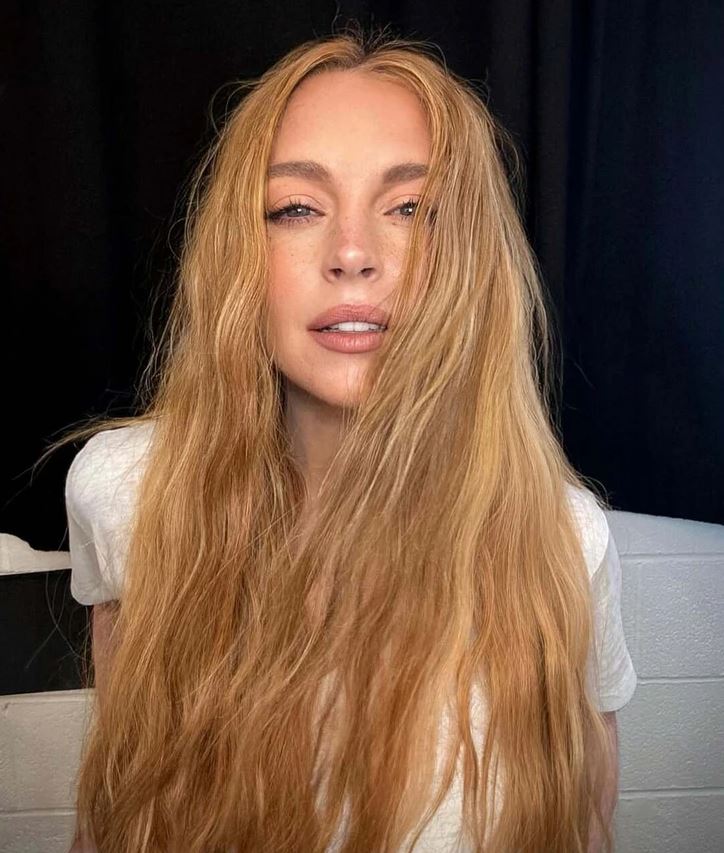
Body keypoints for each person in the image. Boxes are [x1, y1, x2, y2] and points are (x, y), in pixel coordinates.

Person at [51, 22, 637, 853]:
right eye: (296, 208)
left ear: (471, 259)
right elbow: (107, 822)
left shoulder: (564, 541)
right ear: (238, 253)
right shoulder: (123, 491)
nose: (353, 254)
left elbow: (588, 829)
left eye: (412, 209)